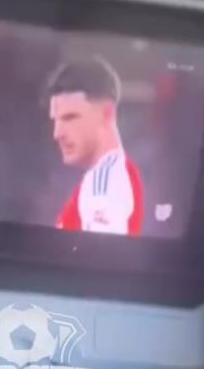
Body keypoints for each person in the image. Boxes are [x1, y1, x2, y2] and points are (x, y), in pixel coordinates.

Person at [46, 57, 144, 235]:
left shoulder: (103, 182)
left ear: (107, 113)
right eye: (56, 120)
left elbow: (101, 253)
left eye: (70, 117)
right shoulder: (111, 174)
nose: (57, 133)